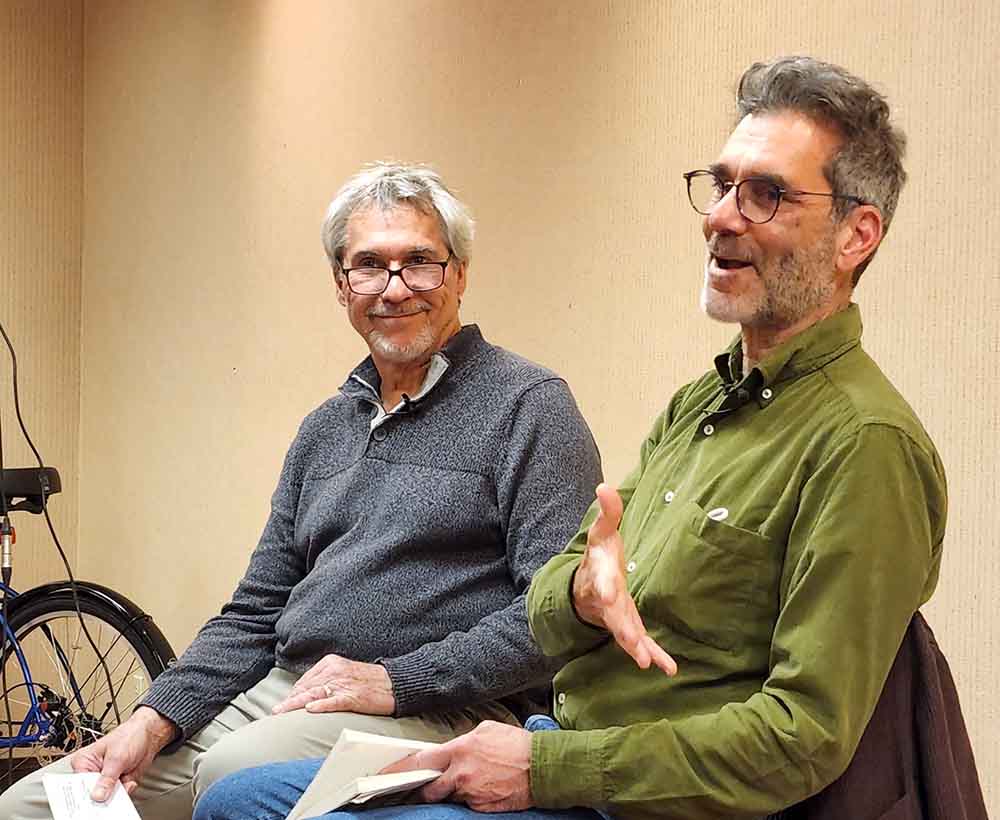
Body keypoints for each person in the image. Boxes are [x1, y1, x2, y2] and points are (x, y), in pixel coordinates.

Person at [194, 56, 947, 820]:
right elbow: (556, 595)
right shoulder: (703, 404)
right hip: (560, 742)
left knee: (239, 805)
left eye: (766, 195)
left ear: (857, 234)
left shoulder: (865, 443)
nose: (720, 216)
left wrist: (545, 766)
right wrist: (585, 596)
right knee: (240, 795)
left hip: (615, 791)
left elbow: (801, 739)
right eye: (721, 185)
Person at [0, 163, 602, 820]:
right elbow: (254, 613)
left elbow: (551, 618)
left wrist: (392, 681)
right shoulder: (325, 429)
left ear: (459, 274)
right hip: (290, 692)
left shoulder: (529, 407)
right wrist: (150, 720)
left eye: (419, 262)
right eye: (369, 266)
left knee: (231, 773)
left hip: (443, 708)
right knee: (40, 804)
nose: (394, 287)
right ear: (342, 286)